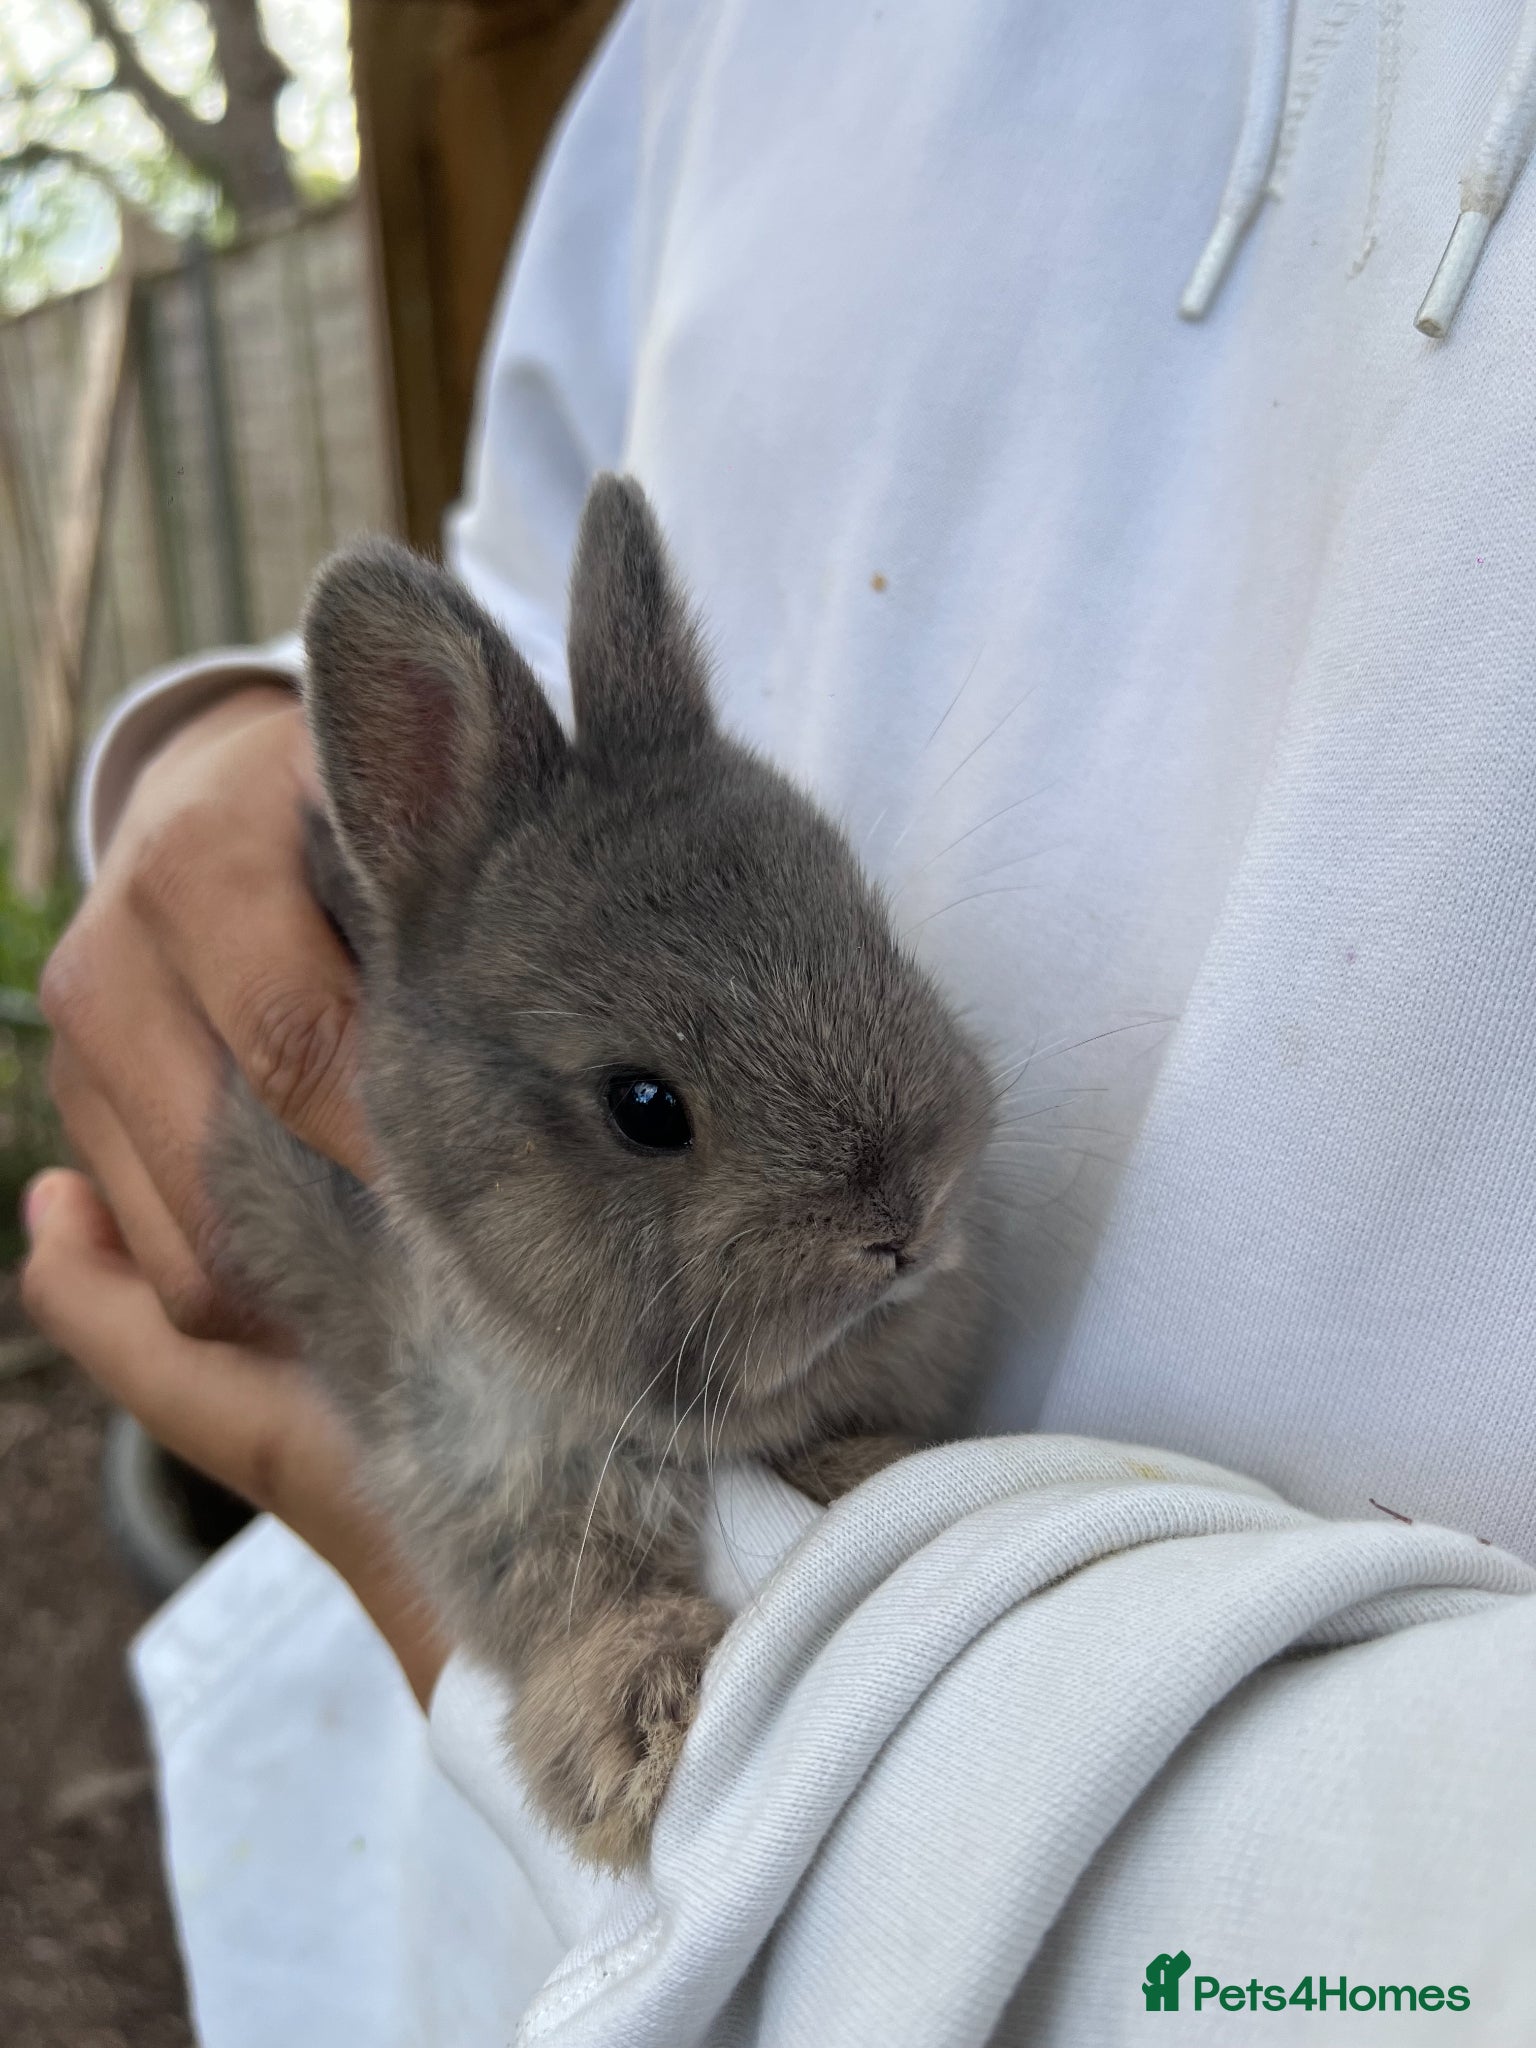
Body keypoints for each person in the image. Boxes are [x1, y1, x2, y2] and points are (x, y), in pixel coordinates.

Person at [20, 1, 1536, 2040]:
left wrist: (479, 1600)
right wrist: (212, 748)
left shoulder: (861, 1226)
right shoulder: (722, 35)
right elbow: (504, 560)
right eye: (653, 1105)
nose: (921, 1185)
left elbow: (1381, 1964)